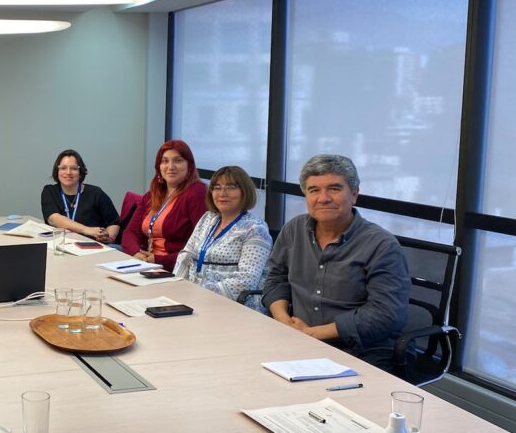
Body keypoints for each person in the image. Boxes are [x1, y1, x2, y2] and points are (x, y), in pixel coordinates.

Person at [262, 154, 410, 370]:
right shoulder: (294, 229)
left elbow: (386, 314)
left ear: (354, 194)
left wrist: (312, 334)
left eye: (334, 188)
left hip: (360, 349)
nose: (323, 198)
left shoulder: (382, 245)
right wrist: (284, 322)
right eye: (314, 190)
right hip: (297, 336)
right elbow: (276, 278)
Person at [174, 166, 272, 312]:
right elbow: (186, 255)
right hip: (195, 299)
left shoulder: (255, 229)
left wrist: (201, 294)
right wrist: (177, 287)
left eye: (230, 187)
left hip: (234, 306)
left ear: (244, 191)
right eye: (217, 187)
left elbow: (246, 280)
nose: (222, 193)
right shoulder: (208, 218)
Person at [121, 140, 207, 271]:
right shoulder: (153, 194)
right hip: (145, 261)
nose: (170, 166)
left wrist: (157, 260)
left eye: (178, 161)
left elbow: (200, 246)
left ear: (189, 166)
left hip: (174, 268)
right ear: (159, 167)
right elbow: (130, 232)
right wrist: (136, 253)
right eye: (165, 161)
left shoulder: (197, 193)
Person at [40, 149, 119, 243]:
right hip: (60, 245)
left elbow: (114, 222)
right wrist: (87, 230)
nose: (68, 172)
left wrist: (109, 239)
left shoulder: (96, 193)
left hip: (91, 246)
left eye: (74, 168)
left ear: (80, 172)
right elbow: (54, 219)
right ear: (57, 171)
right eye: (63, 168)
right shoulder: (50, 191)